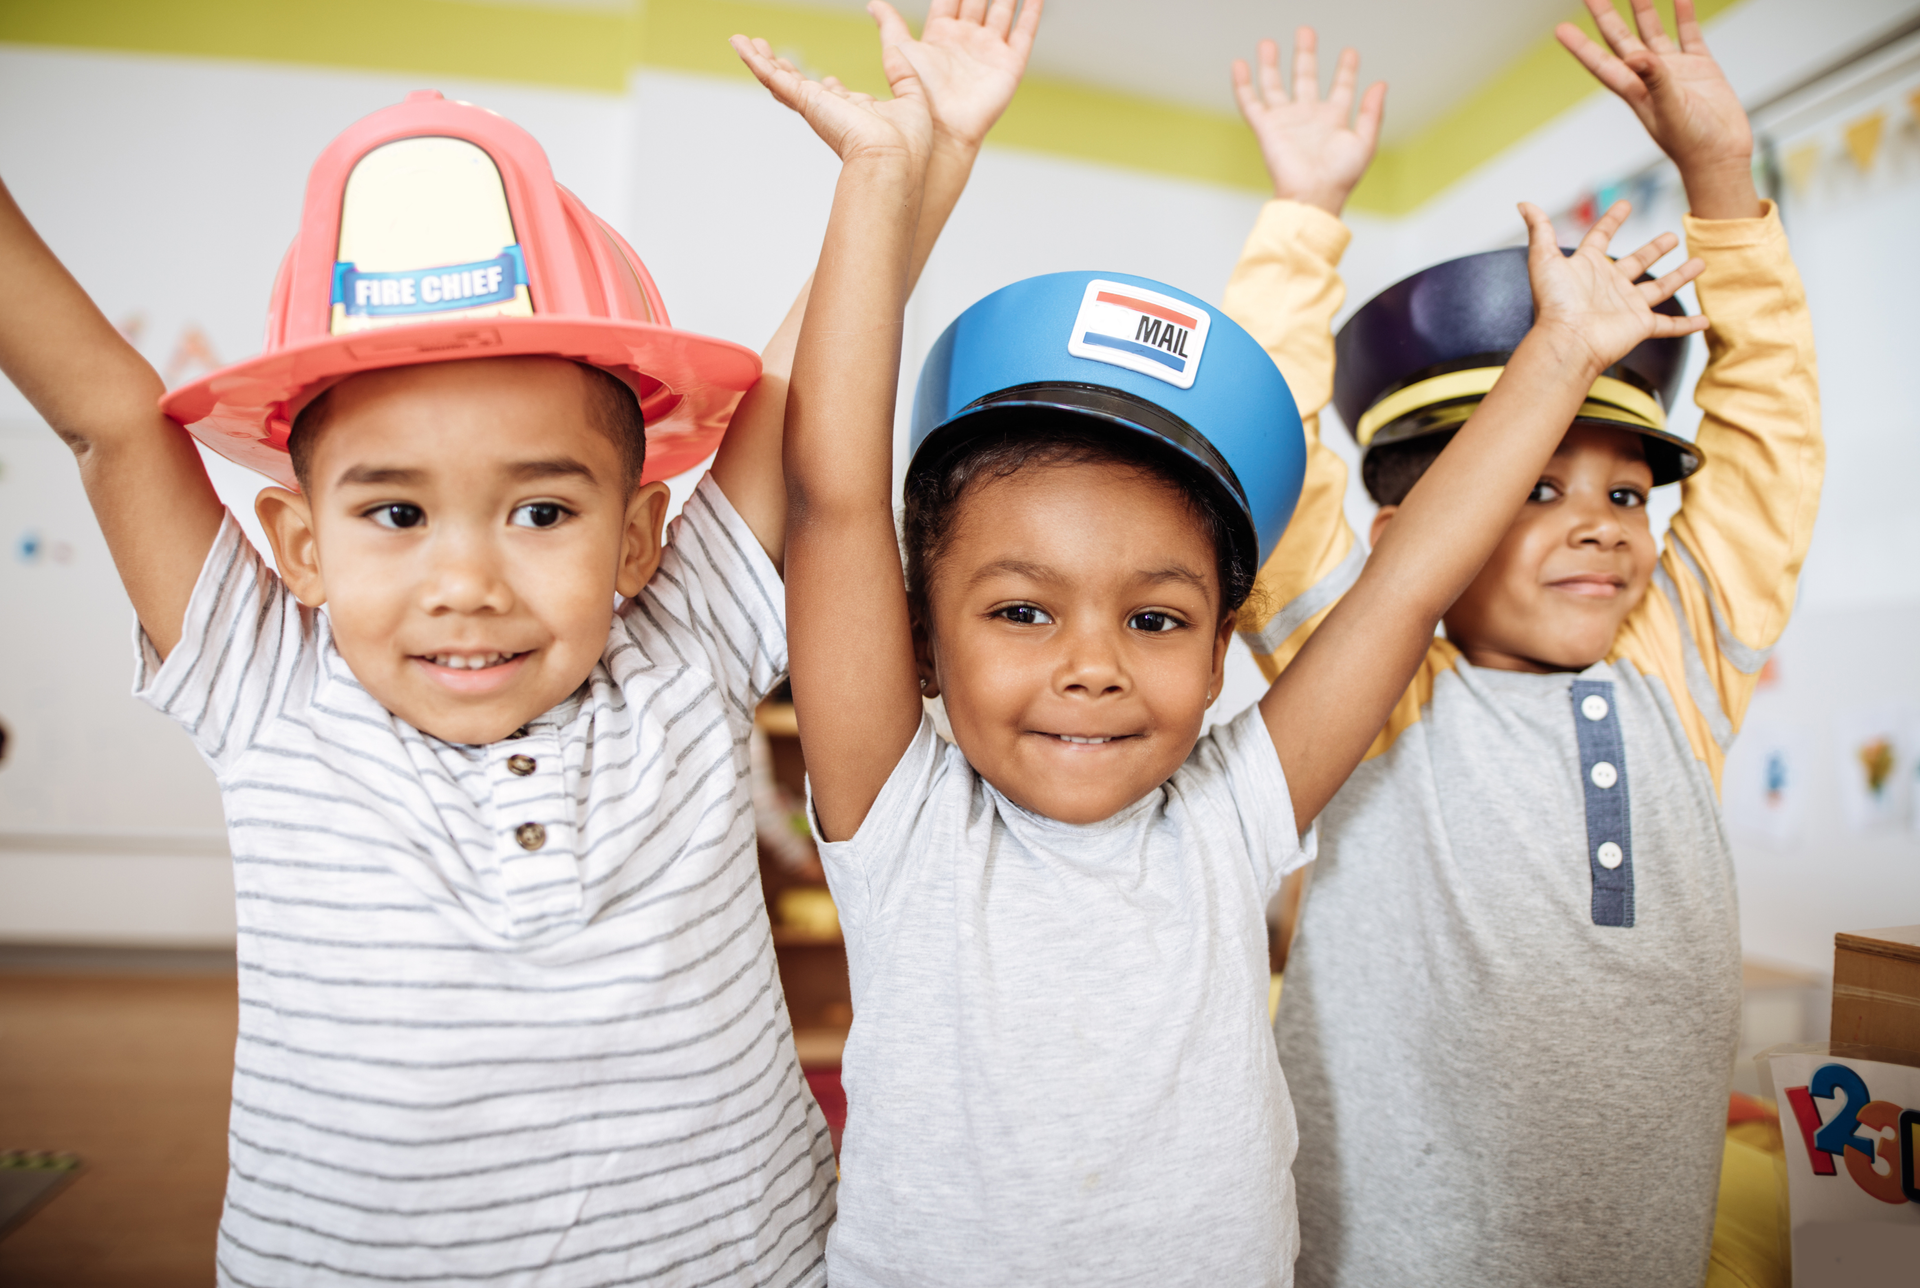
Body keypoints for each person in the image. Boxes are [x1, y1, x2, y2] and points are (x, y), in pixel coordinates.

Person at [0, 4, 1039, 1282]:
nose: (468, 580)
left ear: (639, 534)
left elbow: (805, 392)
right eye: (395, 511)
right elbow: (107, 415)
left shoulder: (685, 640)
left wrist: (921, 155)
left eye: (542, 509)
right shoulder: (264, 681)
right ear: (299, 542)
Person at [730, 4, 1708, 1280]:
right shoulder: (901, 822)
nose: (1095, 663)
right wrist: (883, 178)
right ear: (921, 642)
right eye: (1022, 610)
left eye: (1155, 618)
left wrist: (1565, 350)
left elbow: (1408, 581)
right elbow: (838, 498)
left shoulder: (1231, 812)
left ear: (1220, 651)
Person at [1221, 5, 1821, 1285]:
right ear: (1406, 537)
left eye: (1624, 491)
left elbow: (1769, 439)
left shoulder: (1676, 674)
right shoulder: (1373, 686)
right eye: (1531, 490)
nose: (1600, 526)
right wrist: (1305, 216)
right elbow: (1265, 457)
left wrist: (1720, 176)